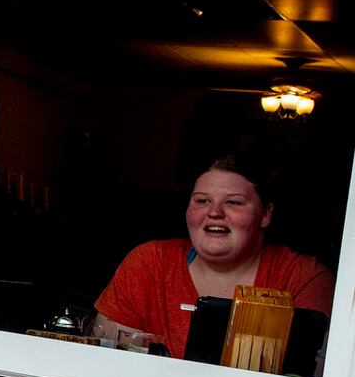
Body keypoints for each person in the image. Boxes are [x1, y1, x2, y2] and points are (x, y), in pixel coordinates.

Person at [93, 154, 335, 359]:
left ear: (266, 214)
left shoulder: (303, 278)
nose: (215, 212)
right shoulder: (149, 263)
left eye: (233, 202)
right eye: (202, 200)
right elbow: (110, 364)